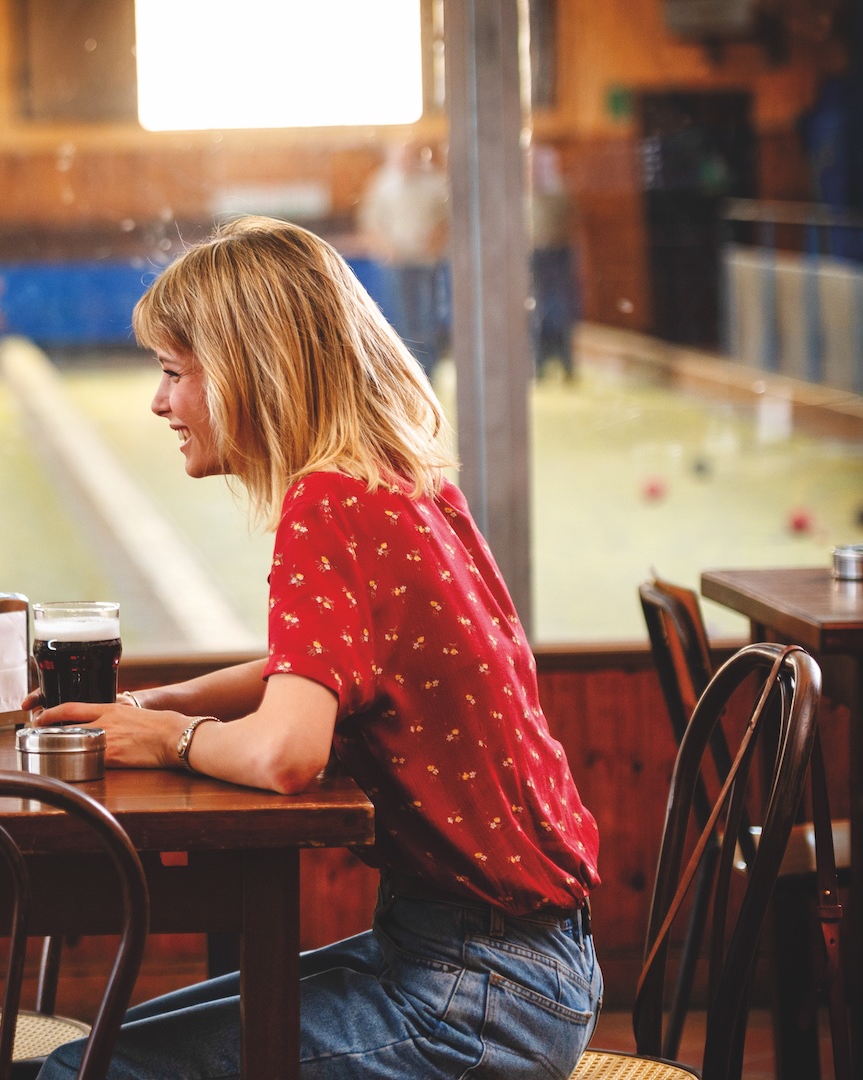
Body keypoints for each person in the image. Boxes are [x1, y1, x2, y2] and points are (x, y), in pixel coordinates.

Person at [31, 216, 601, 1080]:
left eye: (175, 373)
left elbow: (286, 752)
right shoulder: (400, 480)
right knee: (95, 1052)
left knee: (88, 1071)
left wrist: (161, 739)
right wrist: (160, 703)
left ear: (249, 371)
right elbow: (314, 669)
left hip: (475, 997)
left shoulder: (329, 500)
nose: (159, 403)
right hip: (505, 962)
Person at [357, 142, 450, 375]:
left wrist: (435, 240)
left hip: (427, 263)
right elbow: (370, 222)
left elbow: (447, 220)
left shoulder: (434, 183)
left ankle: (430, 370)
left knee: (428, 317)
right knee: (401, 319)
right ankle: (409, 370)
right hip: (395, 265)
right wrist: (385, 249)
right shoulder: (381, 184)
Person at [530, 145, 582, 380]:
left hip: (557, 254)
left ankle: (565, 361)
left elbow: (569, 222)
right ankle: (539, 362)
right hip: (534, 256)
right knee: (536, 310)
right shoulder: (523, 193)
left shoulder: (558, 192)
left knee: (560, 309)